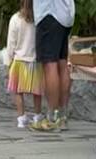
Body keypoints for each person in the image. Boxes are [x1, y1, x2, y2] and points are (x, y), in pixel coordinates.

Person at [30, 0, 73, 131]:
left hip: (49, 12)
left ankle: (52, 118)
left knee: (50, 65)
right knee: (62, 62)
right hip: (65, 14)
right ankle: (62, 116)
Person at [6, 0, 43, 129]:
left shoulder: (15, 19)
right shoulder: (39, 18)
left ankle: (21, 118)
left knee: (18, 91)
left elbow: (11, 43)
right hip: (35, 61)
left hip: (19, 60)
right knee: (37, 92)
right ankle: (38, 115)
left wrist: (9, 61)